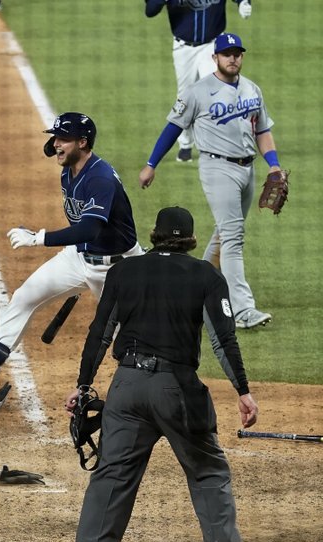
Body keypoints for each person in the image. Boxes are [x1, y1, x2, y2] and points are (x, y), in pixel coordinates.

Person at [65, 206, 258, 542]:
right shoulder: (205, 275)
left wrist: (83, 384)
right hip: (176, 389)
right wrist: (243, 391)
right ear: (189, 239)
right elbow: (224, 340)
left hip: (127, 387)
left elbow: (100, 332)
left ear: (153, 235)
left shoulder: (124, 271)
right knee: (207, 469)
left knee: (112, 474)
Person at [0, 112, 143, 399]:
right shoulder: (68, 170)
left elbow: (90, 228)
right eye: (55, 137)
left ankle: (148, 391)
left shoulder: (100, 178)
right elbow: (83, 233)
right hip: (80, 257)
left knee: (130, 337)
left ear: (83, 143)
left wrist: (40, 238)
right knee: (25, 296)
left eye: (63, 139)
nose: (56, 144)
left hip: (118, 268)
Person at [139, 33, 281, 330]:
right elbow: (172, 128)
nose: (233, 58)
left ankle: (192, 290)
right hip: (217, 170)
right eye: (227, 54)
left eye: (237, 53)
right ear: (215, 57)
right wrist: (151, 164)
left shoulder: (253, 89)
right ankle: (242, 311)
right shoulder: (198, 92)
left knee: (223, 234)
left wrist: (274, 165)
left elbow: (263, 131)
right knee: (233, 236)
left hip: (248, 169)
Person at [144, 0, 253, 163]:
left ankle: (222, 146)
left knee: (218, 91)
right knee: (184, 98)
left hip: (213, 46)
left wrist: (244, 2)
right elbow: (150, 10)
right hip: (183, 49)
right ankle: (185, 145)